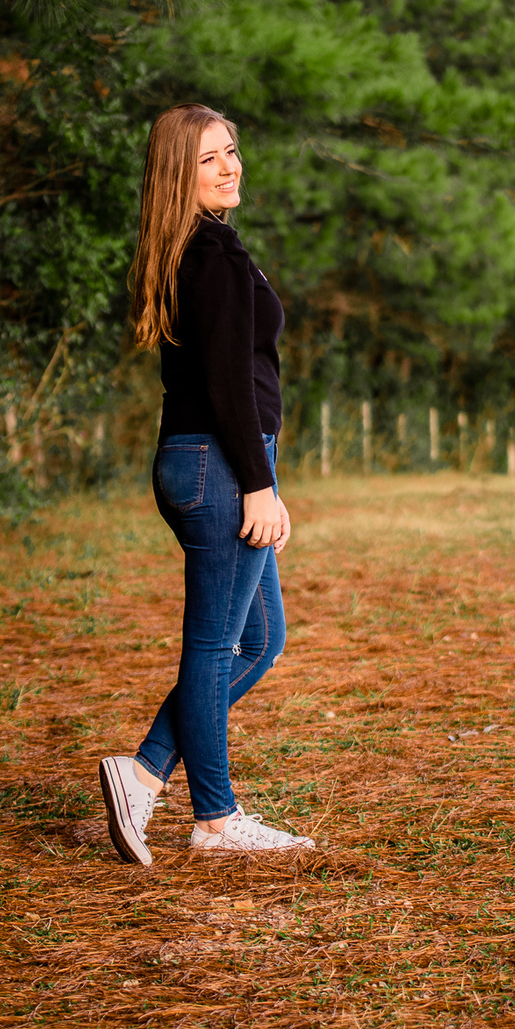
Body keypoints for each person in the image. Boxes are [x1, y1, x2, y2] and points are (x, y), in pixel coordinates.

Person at [98, 103, 315, 863]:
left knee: (259, 638)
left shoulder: (194, 249)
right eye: (210, 160)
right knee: (217, 645)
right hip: (221, 462)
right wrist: (261, 483)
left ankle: (145, 771)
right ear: (176, 176)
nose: (231, 168)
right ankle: (215, 821)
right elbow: (228, 382)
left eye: (232, 152)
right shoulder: (212, 258)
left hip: (206, 458)